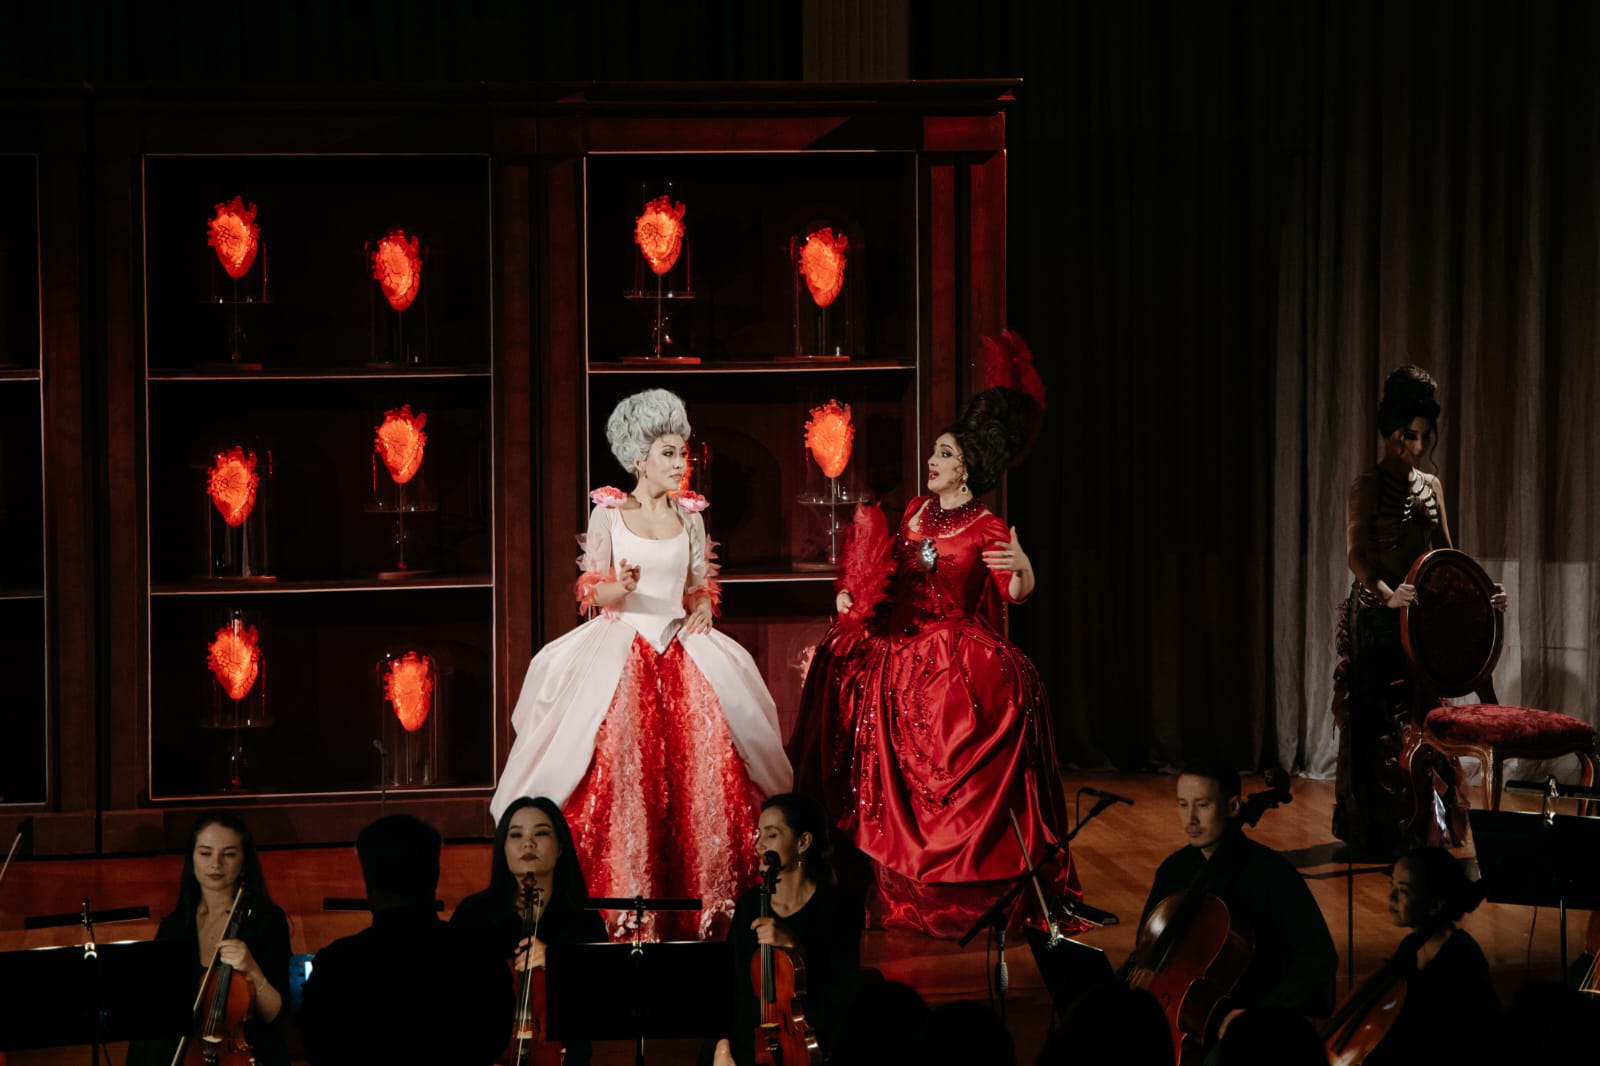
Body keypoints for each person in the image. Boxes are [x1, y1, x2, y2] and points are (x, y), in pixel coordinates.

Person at [787, 330, 1080, 937]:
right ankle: (870, 874)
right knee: (839, 671)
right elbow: (887, 571)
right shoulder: (918, 510)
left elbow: (1012, 594)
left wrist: (1025, 570)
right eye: (935, 453)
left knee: (958, 715)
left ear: (966, 466)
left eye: (944, 454)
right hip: (897, 642)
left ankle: (961, 880)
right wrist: (853, 594)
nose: (932, 461)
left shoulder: (988, 526)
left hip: (952, 649)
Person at [490, 388, 791, 940]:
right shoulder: (609, 512)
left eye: (682, 454)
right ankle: (623, 904)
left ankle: (707, 904)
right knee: (618, 766)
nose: (679, 464)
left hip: (682, 646)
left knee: (710, 763)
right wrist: (619, 587)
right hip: (622, 645)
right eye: (668, 454)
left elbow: (699, 584)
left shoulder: (691, 515)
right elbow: (590, 591)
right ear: (639, 458)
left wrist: (703, 605)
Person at [1333, 364, 1505, 855]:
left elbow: (1449, 554)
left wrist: (1482, 593)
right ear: (1391, 434)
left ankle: (1423, 828)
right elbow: (1356, 555)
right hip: (1378, 613)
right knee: (1375, 720)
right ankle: (1373, 830)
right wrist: (1388, 593)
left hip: (1421, 618)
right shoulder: (1367, 486)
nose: (1419, 446)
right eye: (1410, 436)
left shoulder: (1432, 484)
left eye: (1425, 436)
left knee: (1425, 716)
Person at [1124, 767, 1337, 1054]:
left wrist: (1259, 1015)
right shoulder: (1173, 871)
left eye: (1202, 805)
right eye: (1183, 805)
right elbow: (1144, 955)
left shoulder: (1272, 874)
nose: (1191, 818)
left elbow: (1318, 959)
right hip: (1180, 1019)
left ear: (1233, 807)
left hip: (1246, 1028)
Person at [298, 814, 512, 1066]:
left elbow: (317, 1047)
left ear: (369, 886)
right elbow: (496, 1037)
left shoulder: (335, 965)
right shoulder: (479, 956)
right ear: (435, 876)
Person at [450, 796, 608, 1065]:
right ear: (503, 848)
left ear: (560, 847)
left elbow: (603, 1000)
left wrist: (555, 960)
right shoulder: (474, 914)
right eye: (516, 835)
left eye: (541, 833)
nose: (528, 843)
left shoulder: (584, 920)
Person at [127, 810, 291, 1066]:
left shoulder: (267, 920)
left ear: (244, 861)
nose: (216, 864)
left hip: (246, 1054)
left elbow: (276, 1015)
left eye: (229, 854)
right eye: (205, 853)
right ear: (192, 858)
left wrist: (251, 969)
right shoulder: (176, 925)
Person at [713, 793, 862, 1066]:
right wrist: (722, 1047)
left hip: (806, 1042)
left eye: (771, 835)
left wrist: (795, 949)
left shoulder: (838, 906)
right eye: (759, 835)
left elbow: (843, 991)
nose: (759, 846)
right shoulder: (750, 904)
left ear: (803, 842)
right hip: (748, 1043)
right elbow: (729, 983)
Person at [1356, 847, 1498, 1066]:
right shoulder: (1410, 946)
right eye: (1392, 885)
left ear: (1435, 904)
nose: (1391, 896)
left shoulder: (1461, 959)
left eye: (1403, 891)